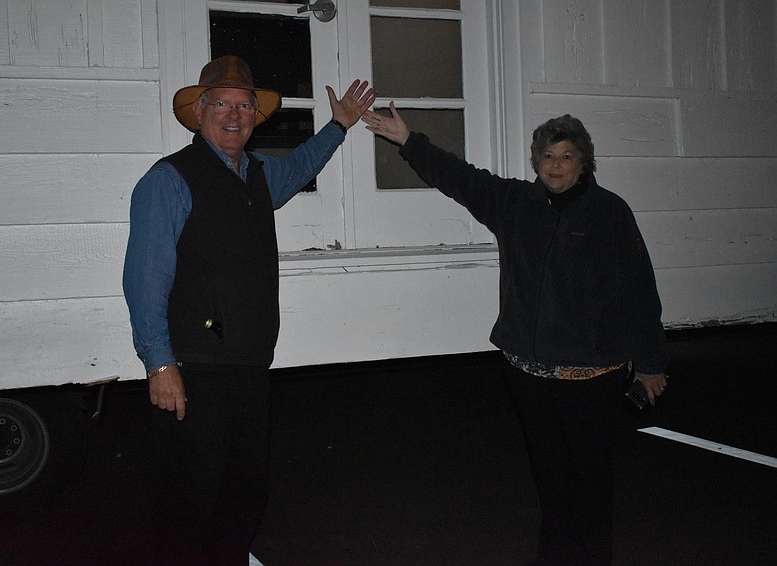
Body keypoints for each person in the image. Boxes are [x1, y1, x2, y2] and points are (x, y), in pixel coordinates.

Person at [362, 107, 667, 565]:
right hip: (528, 373)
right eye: (548, 156)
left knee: (589, 476)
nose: (556, 165)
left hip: (590, 375)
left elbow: (639, 289)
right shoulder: (515, 203)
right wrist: (408, 140)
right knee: (548, 474)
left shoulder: (610, 213)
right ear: (536, 161)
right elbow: (460, 178)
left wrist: (651, 363)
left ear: (583, 162)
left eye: (566, 156)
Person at [123, 55, 374, 564]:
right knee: (189, 491)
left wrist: (339, 125)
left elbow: (301, 166)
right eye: (221, 104)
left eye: (244, 105)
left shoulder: (259, 174)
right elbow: (144, 279)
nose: (234, 115)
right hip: (193, 367)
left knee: (245, 484)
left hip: (250, 364)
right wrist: (159, 364)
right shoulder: (168, 179)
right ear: (199, 112)